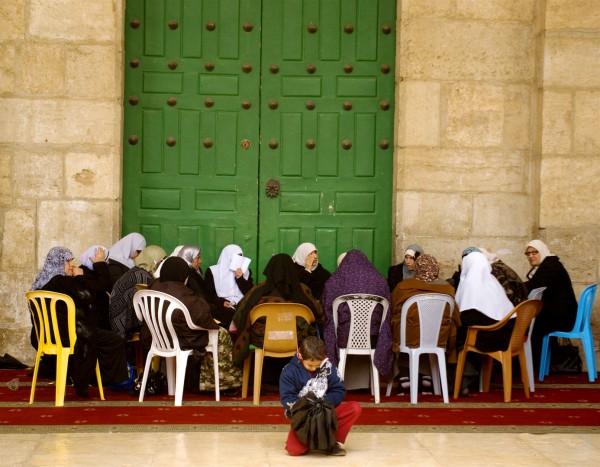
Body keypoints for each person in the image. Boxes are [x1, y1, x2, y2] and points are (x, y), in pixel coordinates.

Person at [30, 246, 129, 397]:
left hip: (45, 337)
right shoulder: (61, 280)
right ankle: (104, 381)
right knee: (113, 339)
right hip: (70, 335)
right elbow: (87, 295)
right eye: (67, 262)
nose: (71, 265)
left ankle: (89, 378)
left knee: (98, 335)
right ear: (58, 263)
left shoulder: (39, 285)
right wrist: (79, 277)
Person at [146, 256, 241, 393]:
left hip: (157, 338)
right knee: (220, 334)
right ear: (184, 277)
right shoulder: (181, 291)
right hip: (182, 338)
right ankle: (222, 384)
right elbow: (201, 315)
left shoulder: (154, 286)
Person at [231, 253, 323, 367]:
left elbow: (240, 314)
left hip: (262, 339)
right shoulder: (302, 291)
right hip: (295, 339)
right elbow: (319, 313)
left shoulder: (257, 291)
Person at [279, 336, 362, 456]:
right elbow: (287, 398)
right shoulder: (288, 371)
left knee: (354, 408)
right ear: (300, 355)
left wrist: (323, 404)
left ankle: (330, 442)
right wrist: (309, 409)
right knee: (294, 450)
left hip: (326, 413)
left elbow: (339, 390)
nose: (314, 368)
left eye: (317, 366)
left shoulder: (328, 366)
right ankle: (315, 440)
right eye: (310, 365)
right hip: (303, 418)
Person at [390, 254, 460, 393]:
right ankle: (427, 376)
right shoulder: (447, 289)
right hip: (438, 338)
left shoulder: (404, 287)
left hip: (409, 337)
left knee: (401, 324)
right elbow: (456, 317)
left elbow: (393, 308)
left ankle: (404, 376)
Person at [321, 249, 393, 381]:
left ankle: (335, 378)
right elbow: (388, 311)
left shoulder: (335, 280)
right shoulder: (380, 280)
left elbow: (326, 308)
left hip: (344, 335)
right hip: (373, 336)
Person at [523, 239, 578, 371]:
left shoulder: (550, 267)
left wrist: (510, 288)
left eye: (534, 252)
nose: (531, 256)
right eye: (528, 253)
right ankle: (533, 366)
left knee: (530, 324)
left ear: (541, 251)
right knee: (533, 321)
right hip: (559, 314)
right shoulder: (548, 265)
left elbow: (531, 286)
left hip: (563, 318)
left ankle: (531, 367)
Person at [109, 245, 166, 339]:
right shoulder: (142, 277)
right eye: (162, 260)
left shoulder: (137, 271)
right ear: (154, 260)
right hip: (125, 324)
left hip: (120, 320)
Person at [176, 245, 235, 330]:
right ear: (188, 258)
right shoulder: (187, 275)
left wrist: (220, 302)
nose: (200, 261)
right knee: (227, 317)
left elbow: (205, 292)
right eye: (197, 258)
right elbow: (199, 296)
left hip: (205, 305)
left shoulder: (195, 272)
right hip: (198, 310)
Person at [450, 247, 528, 306]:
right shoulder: (498, 265)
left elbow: (506, 296)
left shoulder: (493, 270)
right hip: (521, 309)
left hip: (514, 310)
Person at [205, 244, 254, 311]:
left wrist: (240, 278)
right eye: (236, 257)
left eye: (240, 257)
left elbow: (250, 292)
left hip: (241, 305)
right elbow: (209, 294)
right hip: (221, 305)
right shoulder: (213, 271)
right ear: (227, 257)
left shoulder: (246, 271)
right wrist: (222, 302)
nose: (238, 260)